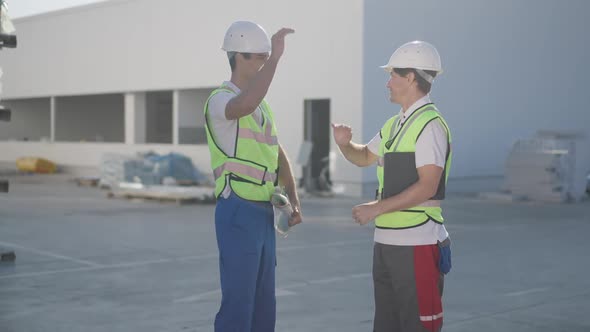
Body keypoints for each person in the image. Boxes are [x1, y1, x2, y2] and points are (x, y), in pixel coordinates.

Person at [332, 40, 452, 332]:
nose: (387, 83)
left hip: (418, 243)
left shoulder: (429, 125)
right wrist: (345, 145)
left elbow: (427, 186)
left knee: (418, 326)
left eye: (392, 75)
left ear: (410, 77)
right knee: (387, 325)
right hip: (387, 243)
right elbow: (363, 157)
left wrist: (376, 208)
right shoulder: (394, 124)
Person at [203, 21, 302, 332]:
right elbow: (243, 104)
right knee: (239, 303)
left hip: (262, 211)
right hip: (237, 210)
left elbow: (277, 152)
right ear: (238, 56)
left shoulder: (263, 108)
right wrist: (275, 59)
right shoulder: (219, 100)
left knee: (263, 304)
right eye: (258, 56)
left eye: (264, 56)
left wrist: (293, 199)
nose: (262, 62)